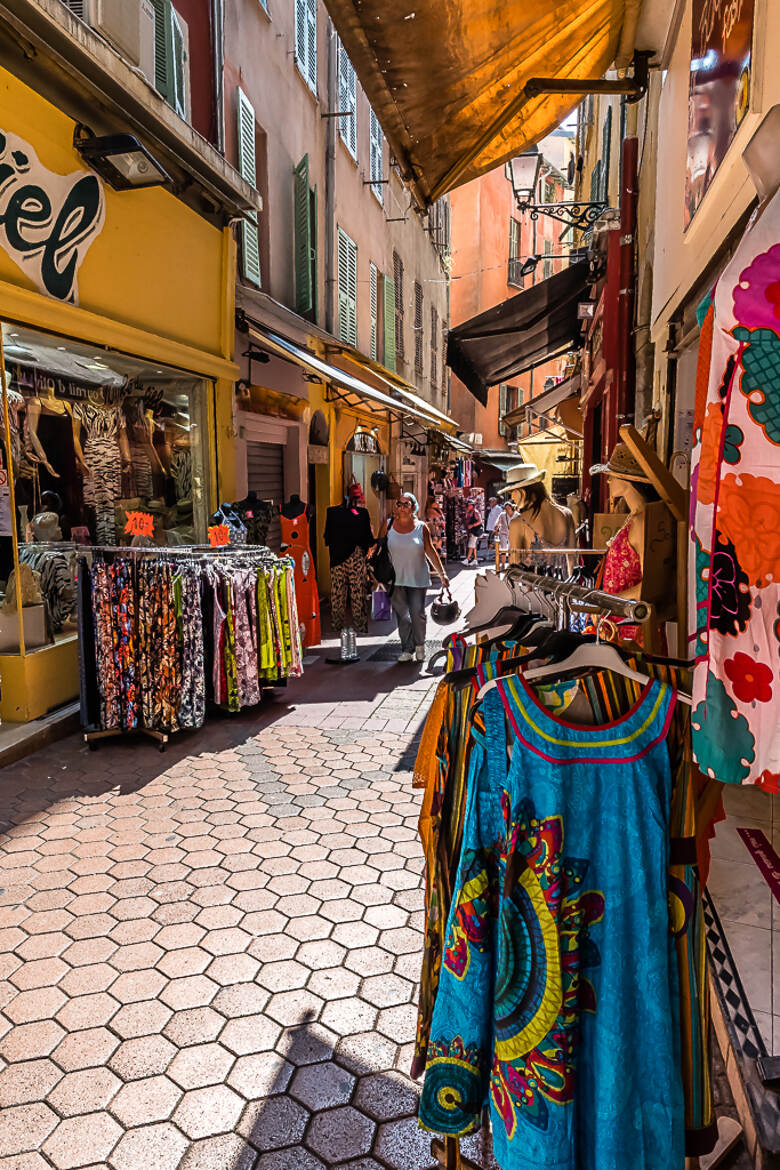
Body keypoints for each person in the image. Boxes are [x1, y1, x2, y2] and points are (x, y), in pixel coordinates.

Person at [379, 492, 449, 663]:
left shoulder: (421, 527)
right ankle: (406, 649)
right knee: (403, 615)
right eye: (399, 504)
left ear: (413, 508)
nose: (401, 507)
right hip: (395, 579)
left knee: (417, 613)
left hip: (417, 578)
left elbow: (430, 551)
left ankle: (419, 646)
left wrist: (442, 574)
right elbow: (380, 548)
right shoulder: (387, 525)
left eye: (406, 504)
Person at [502, 463, 576, 572]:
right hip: (564, 585)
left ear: (523, 491)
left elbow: (515, 567)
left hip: (532, 587)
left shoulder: (518, 523)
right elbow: (572, 558)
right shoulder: (566, 514)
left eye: (512, 492)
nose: (512, 498)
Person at [493, 499, 515, 571]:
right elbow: (497, 522)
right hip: (503, 533)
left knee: (511, 548)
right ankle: (502, 564)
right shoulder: (502, 514)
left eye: (508, 507)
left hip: (512, 533)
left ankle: (510, 564)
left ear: (511, 507)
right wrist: (496, 526)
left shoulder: (516, 515)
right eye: (506, 508)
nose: (507, 509)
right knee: (503, 548)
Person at [461, 496, 482, 566]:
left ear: (473, 506)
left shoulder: (475, 512)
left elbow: (480, 521)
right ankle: (475, 559)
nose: (469, 506)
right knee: (473, 545)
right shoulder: (469, 512)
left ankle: (467, 559)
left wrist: (472, 525)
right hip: (472, 531)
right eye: (468, 505)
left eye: (470, 505)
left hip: (475, 531)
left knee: (471, 545)